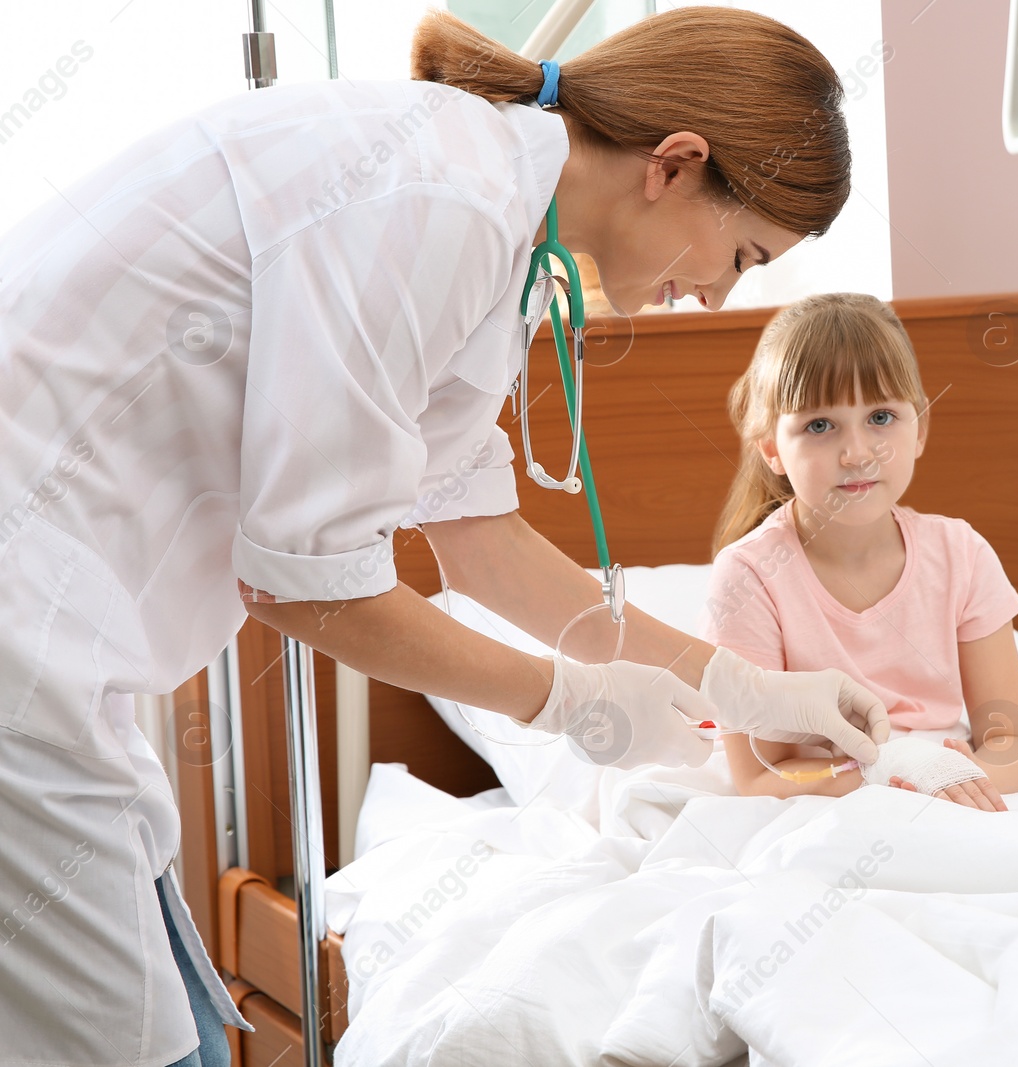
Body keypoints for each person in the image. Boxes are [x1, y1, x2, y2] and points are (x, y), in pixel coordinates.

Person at [0, 10, 889, 1066]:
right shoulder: (435, 200)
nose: (719, 292)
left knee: (169, 1027)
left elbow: (481, 544)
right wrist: (567, 702)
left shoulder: (495, 222)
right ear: (676, 163)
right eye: (742, 253)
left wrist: (746, 686)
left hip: (63, 651)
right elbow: (310, 585)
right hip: (29, 644)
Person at [702, 293, 1018, 813]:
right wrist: (892, 773)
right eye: (820, 425)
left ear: (920, 429)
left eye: (881, 417)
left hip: (949, 792)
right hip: (832, 803)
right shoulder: (749, 576)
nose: (857, 453)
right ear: (771, 448)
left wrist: (948, 777)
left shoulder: (961, 554)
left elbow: (1012, 743)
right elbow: (760, 776)